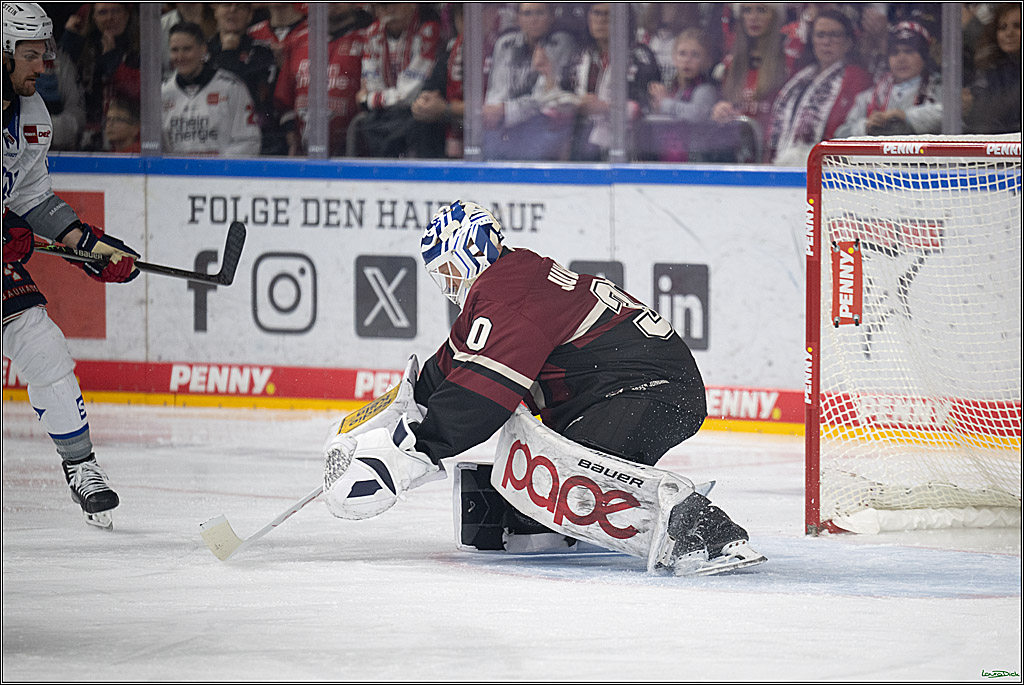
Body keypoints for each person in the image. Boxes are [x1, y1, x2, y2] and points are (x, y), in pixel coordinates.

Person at [319, 200, 767, 576]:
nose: (449, 283)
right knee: (530, 510)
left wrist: (409, 453)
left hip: (653, 390)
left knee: (571, 483)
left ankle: (707, 532)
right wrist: (365, 426)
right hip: (627, 390)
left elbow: (481, 396)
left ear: (476, 252)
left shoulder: (511, 295)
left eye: (451, 268)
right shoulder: (507, 286)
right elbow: (446, 370)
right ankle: (615, 510)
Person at [3, 2, 140, 530]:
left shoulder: (33, 114)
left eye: (44, 53)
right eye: (30, 55)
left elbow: (33, 197)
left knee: (43, 346)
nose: (42, 65)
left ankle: (82, 467)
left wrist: (86, 243)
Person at [767, 9, 872, 166]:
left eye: (834, 35)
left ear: (849, 41)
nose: (826, 42)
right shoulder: (799, 78)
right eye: (820, 35)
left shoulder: (858, 78)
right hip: (782, 167)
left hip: (830, 172)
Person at [562, 2, 659, 161]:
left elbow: (646, 104)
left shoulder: (640, 56)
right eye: (596, 13)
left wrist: (605, 107)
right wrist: (575, 103)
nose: (601, 20)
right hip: (582, 143)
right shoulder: (579, 55)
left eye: (608, 14)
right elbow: (563, 93)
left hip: (629, 145)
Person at [482, 3, 578, 161]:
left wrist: (505, 111)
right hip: (502, 126)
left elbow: (544, 98)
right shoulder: (505, 43)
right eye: (527, 14)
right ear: (518, 18)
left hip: (540, 128)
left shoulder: (562, 43)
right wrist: (494, 112)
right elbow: (497, 90)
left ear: (552, 16)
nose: (533, 19)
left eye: (540, 13)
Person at [275, 3, 373, 157]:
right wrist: (289, 131)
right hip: (305, 156)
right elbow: (284, 97)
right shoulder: (297, 40)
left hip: (355, 155)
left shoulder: (368, 39)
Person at [352, 3, 443, 158]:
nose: (387, 10)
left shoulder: (429, 30)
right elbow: (373, 85)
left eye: (393, 4)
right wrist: (377, 98)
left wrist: (370, 100)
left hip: (416, 118)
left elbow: (410, 94)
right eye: (381, 5)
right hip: (385, 116)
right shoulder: (372, 32)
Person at [162, 22, 261, 156]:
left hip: (220, 175)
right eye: (174, 50)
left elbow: (249, 141)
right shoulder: (162, 92)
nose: (180, 57)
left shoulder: (231, 87)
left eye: (187, 49)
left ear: (203, 49)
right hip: (177, 175)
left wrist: (217, 171)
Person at [836, 22, 942, 139]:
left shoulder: (940, 88)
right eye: (895, 53)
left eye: (908, 51)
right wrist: (867, 126)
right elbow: (841, 134)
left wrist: (905, 117)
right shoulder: (868, 98)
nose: (901, 59)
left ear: (924, 56)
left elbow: (955, 118)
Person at [711, 3, 788, 162]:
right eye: (747, 10)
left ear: (775, 15)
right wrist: (719, 110)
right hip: (736, 156)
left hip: (775, 157)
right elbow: (721, 104)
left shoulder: (788, 61)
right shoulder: (730, 64)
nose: (753, 17)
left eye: (761, 10)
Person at [58, 2, 140, 151]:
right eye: (102, 13)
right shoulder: (84, 48)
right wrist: (69, 40)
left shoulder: (139, 49)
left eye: (116, 11)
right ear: (93, 18)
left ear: (127, 15)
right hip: (86, 134)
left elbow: (136, 90)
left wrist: (112, 63)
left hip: (127, 133)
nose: (110, 18)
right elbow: (59, 79)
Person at [207, 2, 285, 155]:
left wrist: (228, 55)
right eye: (227, 4)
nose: (233, 10)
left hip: (254, 140)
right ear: (216, 11)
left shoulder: (263, 51)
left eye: (240, 6)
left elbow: (251, 92)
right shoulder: (202, 50)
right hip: (208, 137)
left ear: (250, 15)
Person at [643, 28, 719, 162]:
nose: (687, 60)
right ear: (674, 58)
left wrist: (665, 103)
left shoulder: (705, 89)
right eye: (682, 54)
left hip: (694, 160)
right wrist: (656, 104)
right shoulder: (673, 89)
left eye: (695, 55)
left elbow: (697, 114)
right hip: (666, 158)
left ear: (707, 60)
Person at [411, 3, 465, 159]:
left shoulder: (499, 50)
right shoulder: (451, 52)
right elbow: (429, 89)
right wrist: (422, 103)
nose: (465, 22)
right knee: (424, 120)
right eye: (460, 16)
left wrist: (447, 108)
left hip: (487, 136)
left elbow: (492, 110)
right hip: (452, 131)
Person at [964, 2, 1022, 134]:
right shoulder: (989, 68)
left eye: (1018, 26)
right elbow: (979, 119)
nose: (1009, 33)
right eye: (1002, 27)